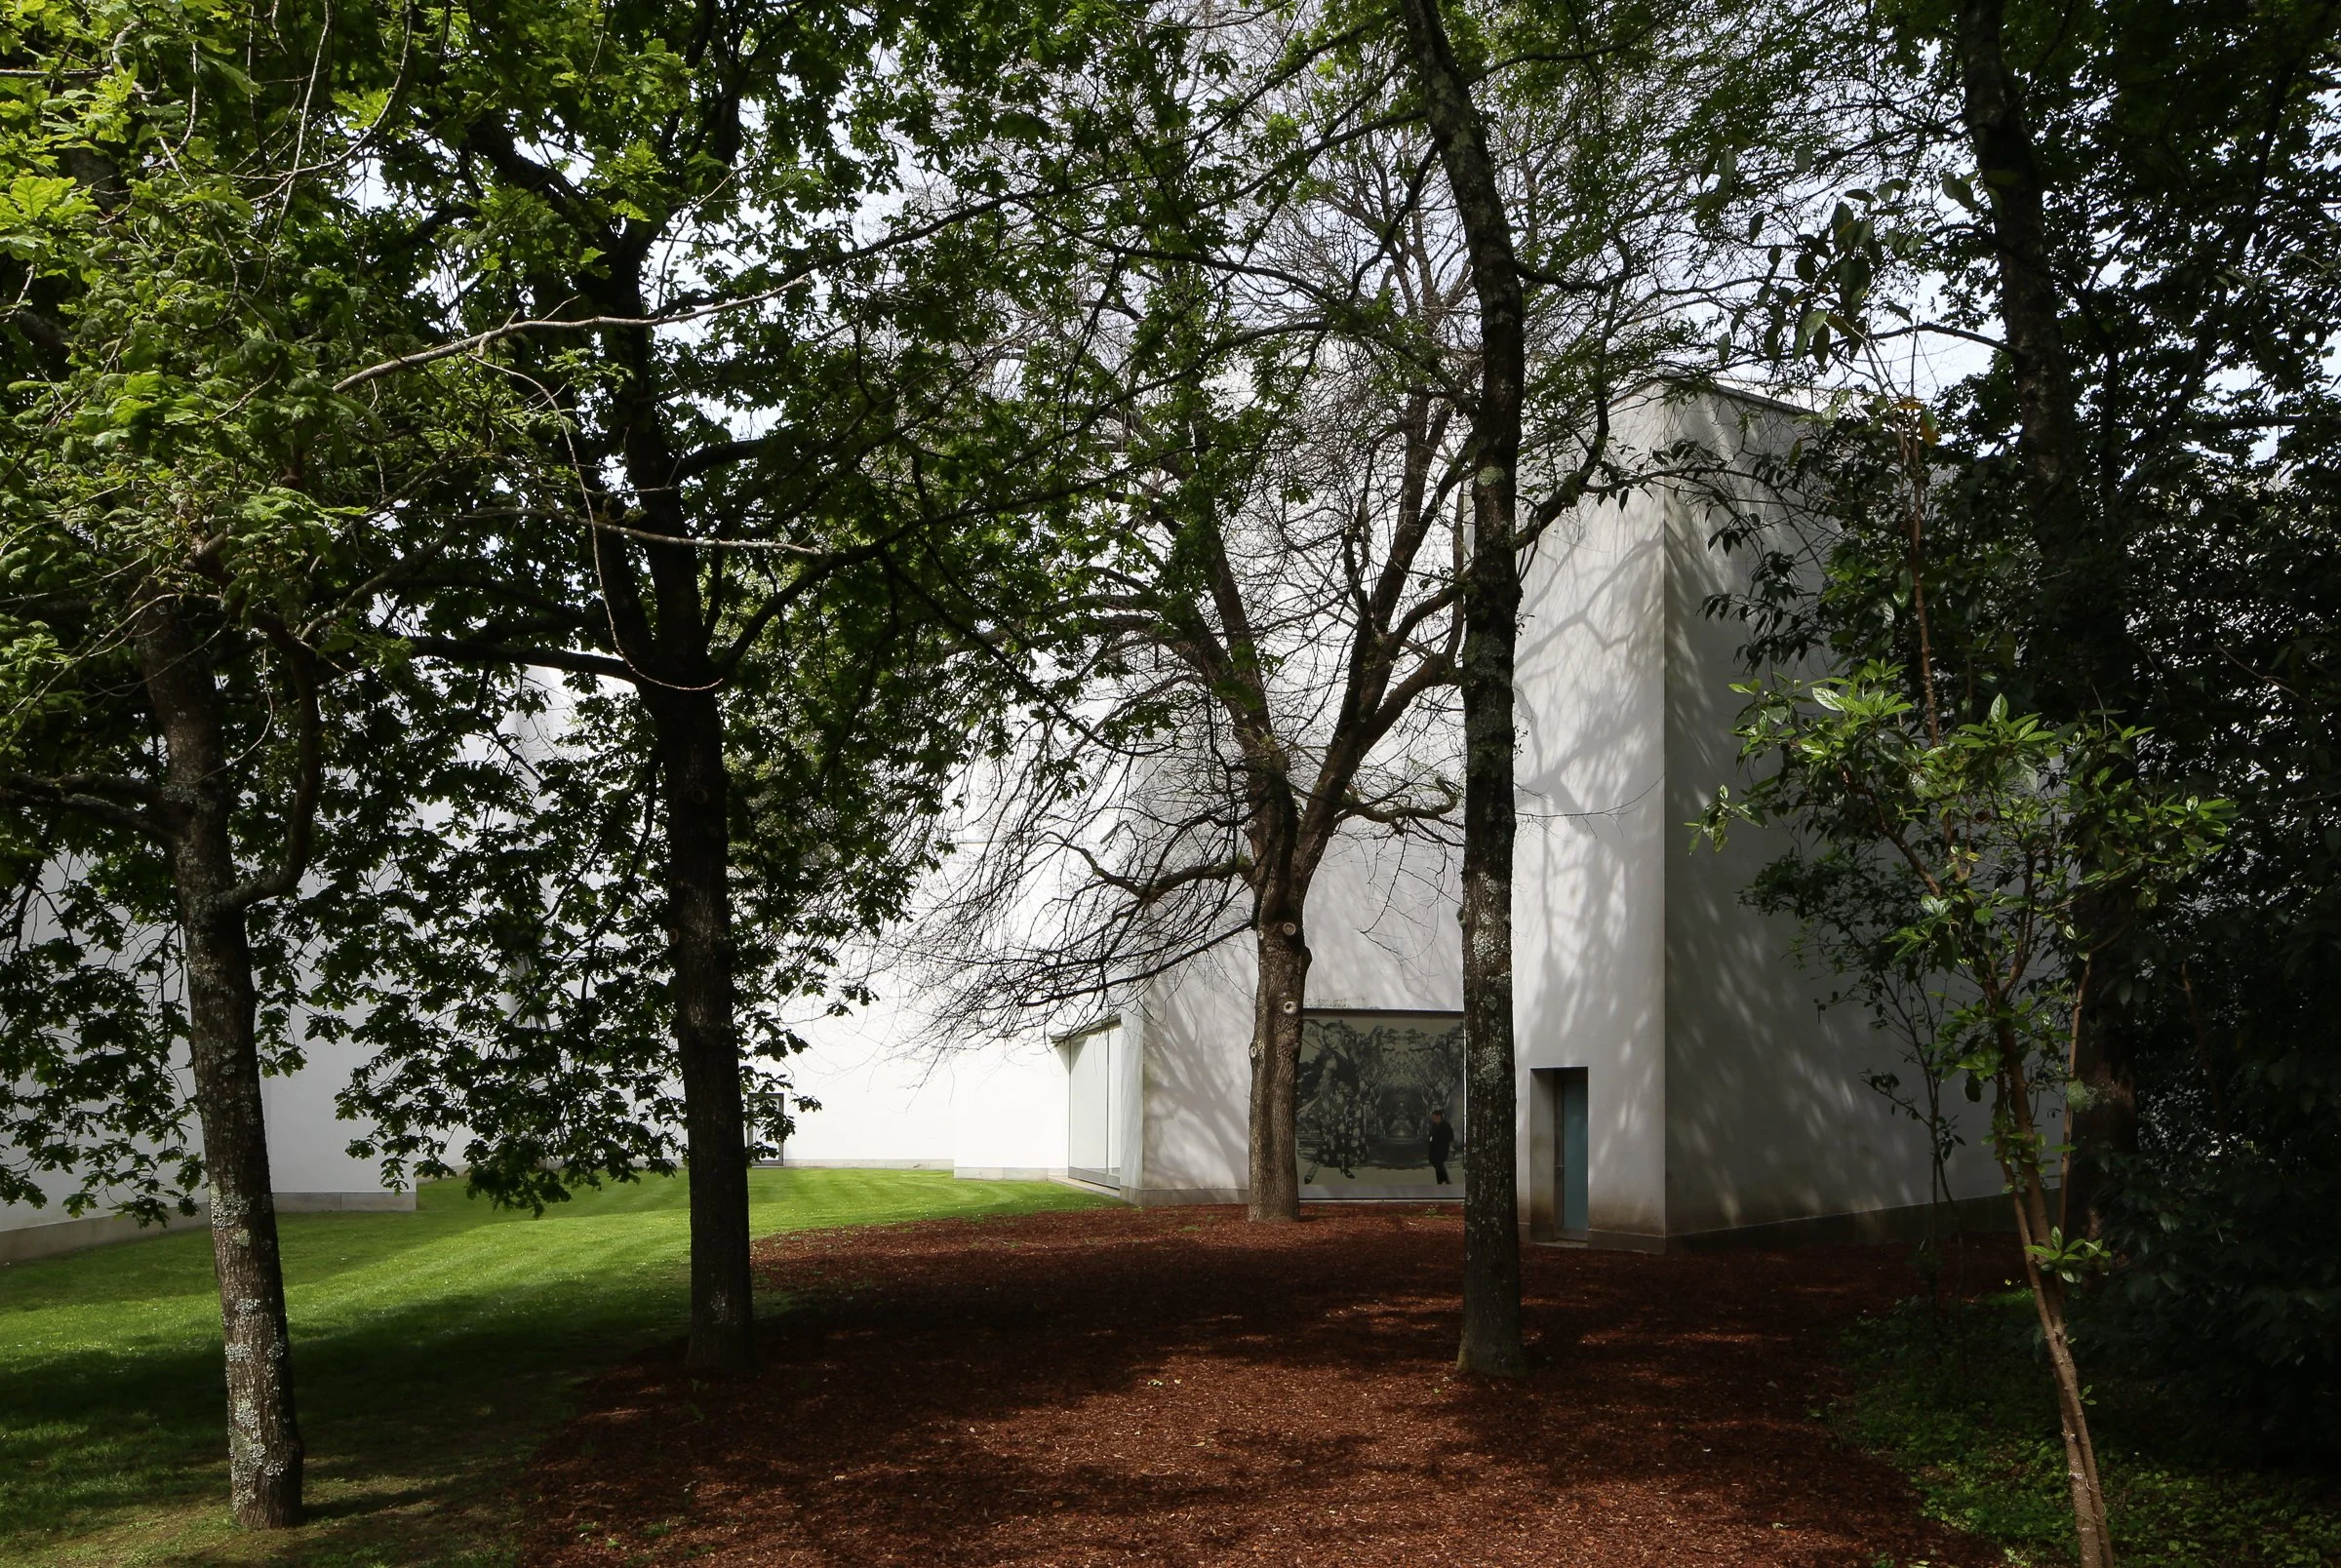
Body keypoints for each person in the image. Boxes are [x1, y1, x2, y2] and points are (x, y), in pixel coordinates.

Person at [1426, 1107, 1453, 1186]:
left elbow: (1451, 1137)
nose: (1433, 1119)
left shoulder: (1445, 1125)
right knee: (1438, 1166)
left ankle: (1442, 1181)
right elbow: (1431, 1135)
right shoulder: (1434, 1125)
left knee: (1439, 1165)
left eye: (1434, 1117)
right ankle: (1444, 1181)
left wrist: (1450, 1149)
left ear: (1439, 1116)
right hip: (1433, 1150)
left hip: (1441, 1149)